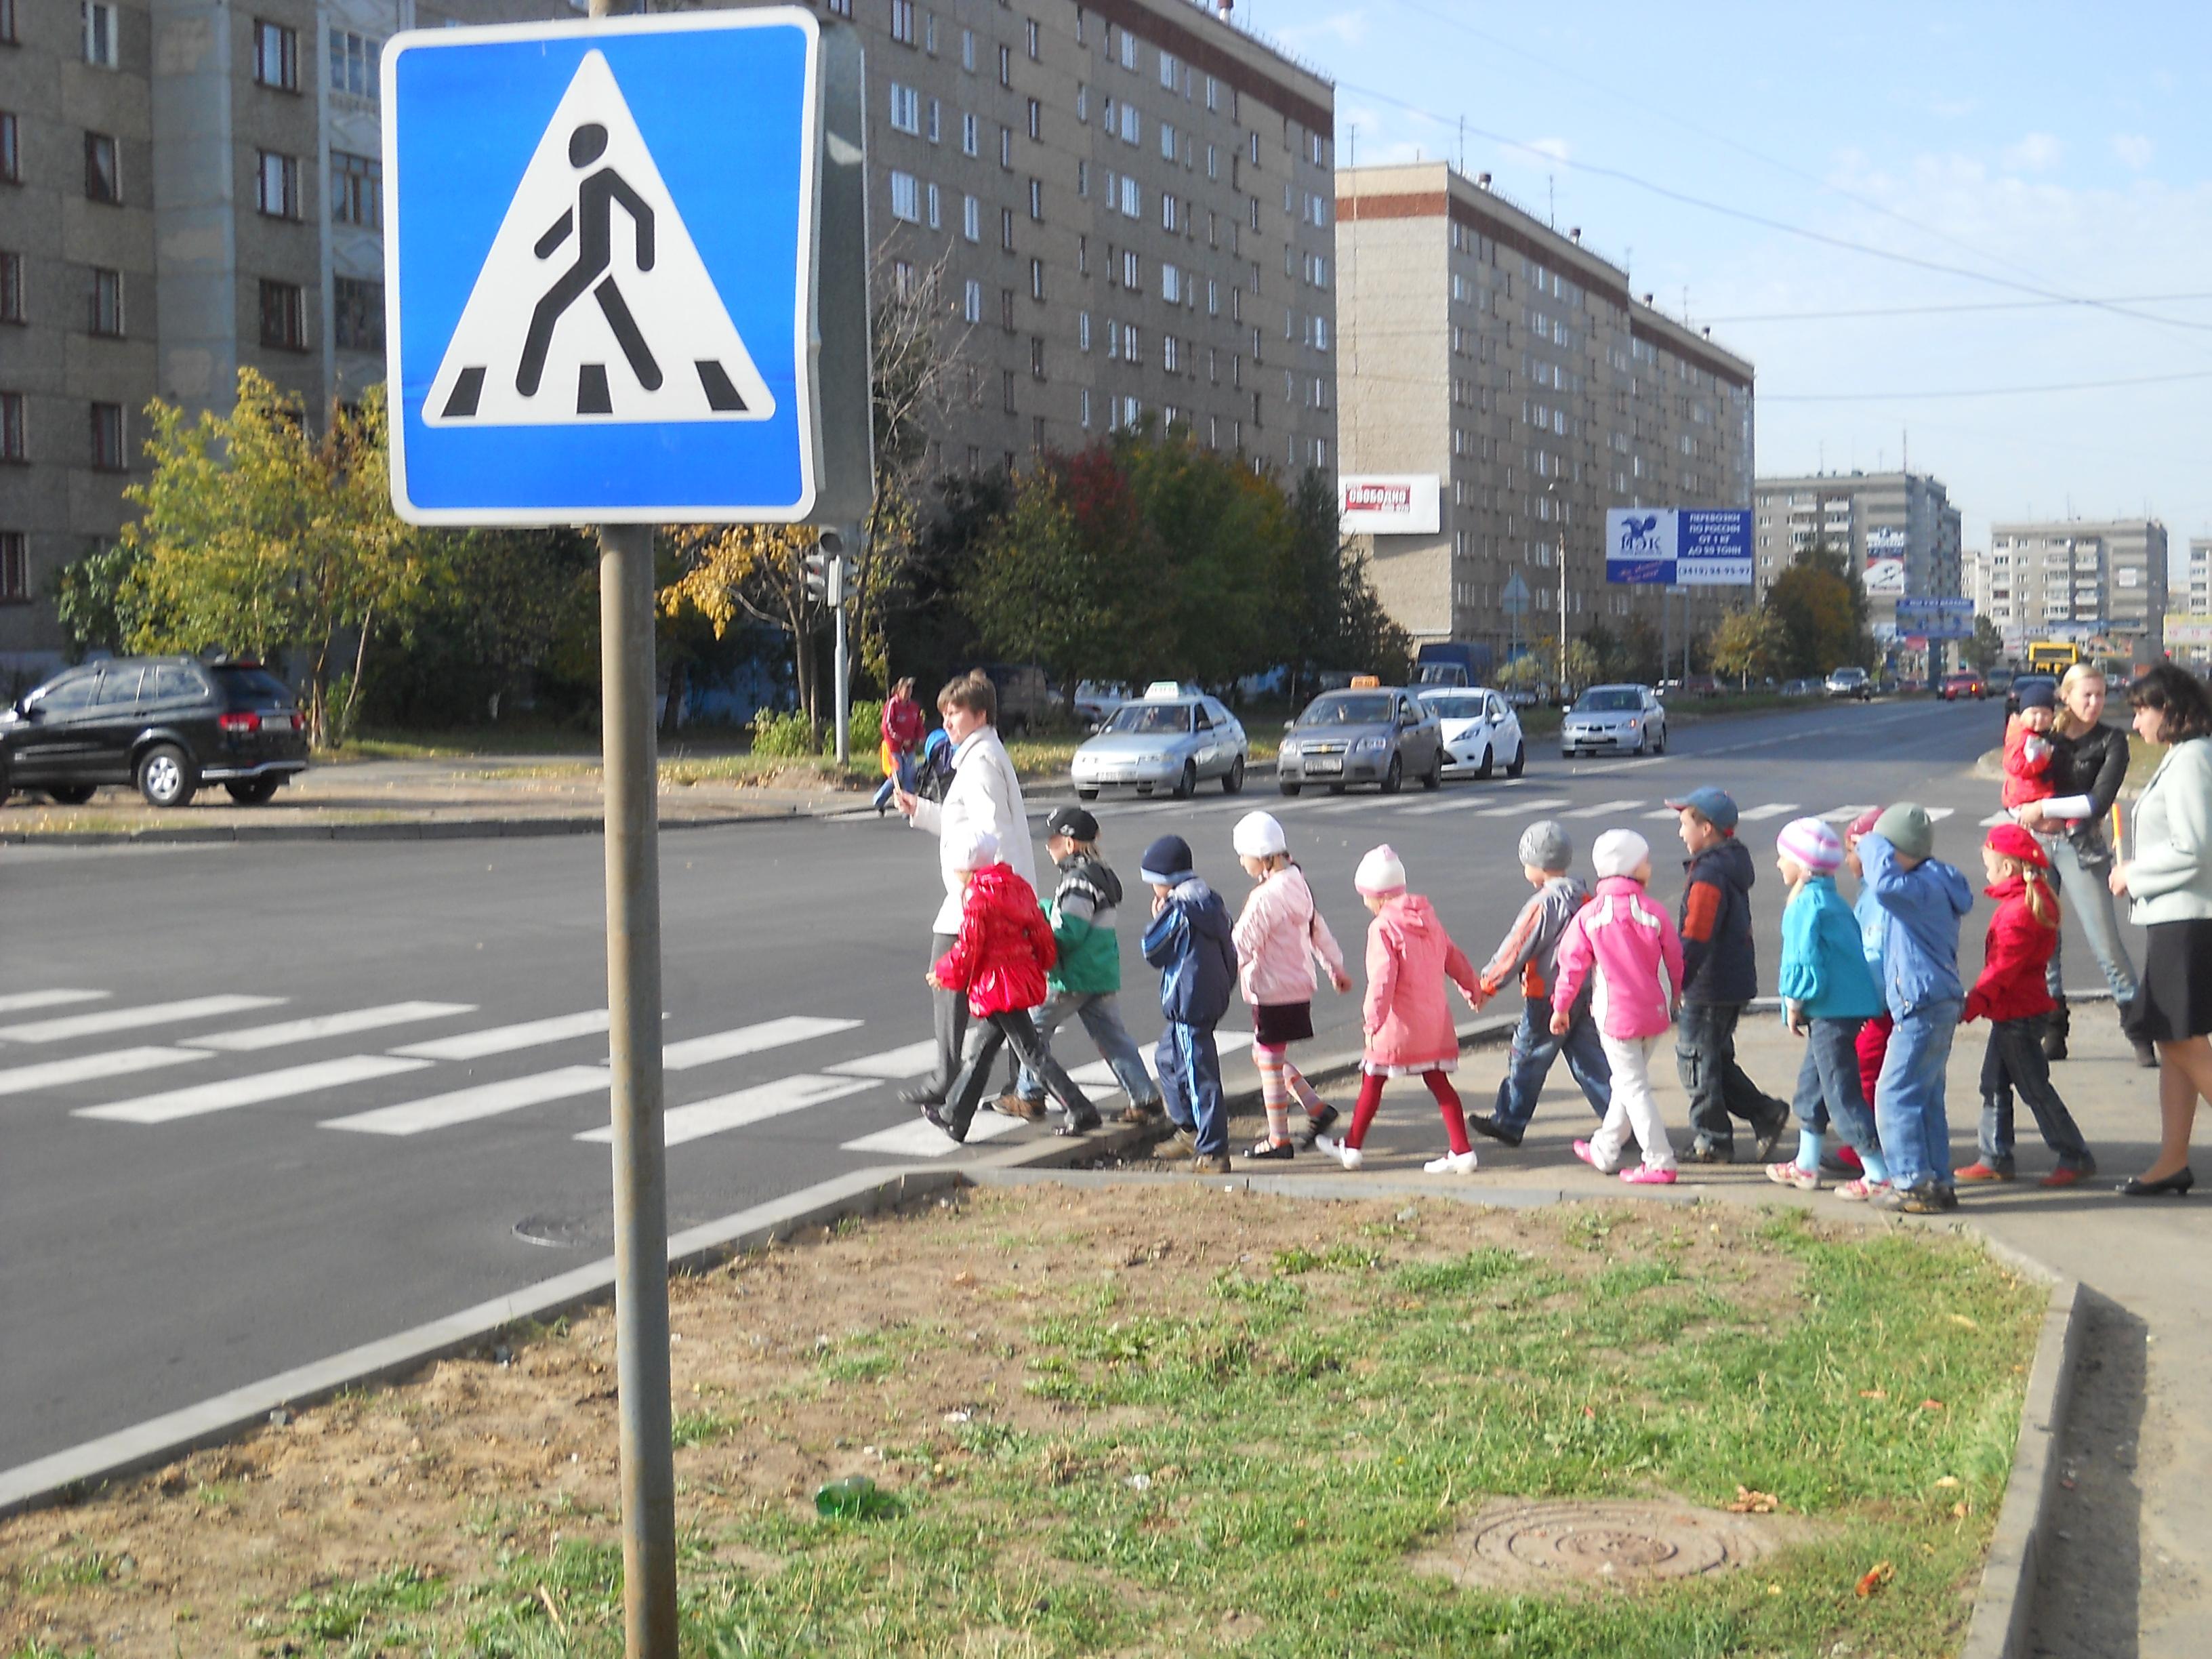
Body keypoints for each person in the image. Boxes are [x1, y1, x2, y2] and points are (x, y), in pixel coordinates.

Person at [895, 672, 1034, 1109]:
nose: (948, 722)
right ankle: (1024, 1086)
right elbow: (970, 825)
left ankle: (948, 1073)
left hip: (979, 893)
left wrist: (979, 890)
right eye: (946, 714)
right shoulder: (982, 755)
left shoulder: (979, 763)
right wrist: (923, 811)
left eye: (955, 713)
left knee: (949, 971)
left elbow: (992, 833)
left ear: (981, 715)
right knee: (1006, 992)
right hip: (990, 891)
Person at [920, 828, 1100, 1143]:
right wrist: (1043, 962)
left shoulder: (978, 897)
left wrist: (944, 972)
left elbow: (969, 947)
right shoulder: (1016, 886)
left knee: (1032, 1054)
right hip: (1017, 979)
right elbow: (1041, 930)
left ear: (967, 868)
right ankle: (955, 1116)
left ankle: (1080, 1108)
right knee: (982, 1050)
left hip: (997, 984)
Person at [2018, 663, 2154, 1067]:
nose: (2095, 703)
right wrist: (2023, 811)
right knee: (2044, 942)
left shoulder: (2113, 741)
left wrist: (2042, 807)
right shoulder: (2047, 735)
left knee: (2105, 943)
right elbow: (2018, 781)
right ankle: (2053, 1030)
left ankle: (2139, 1031)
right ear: (2066, 696)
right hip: (2037, 845)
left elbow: (2097, 801)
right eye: (2086, 695)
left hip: (2082, 847)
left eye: (2100, 695)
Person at [2108, 664, 2212, 1197]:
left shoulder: (2192, 760)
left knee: (2184, 1039)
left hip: (2186, 916)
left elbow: (2195, 848)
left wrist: (2132, 873)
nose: (2136, 722)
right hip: (2173, 915)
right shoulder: (2182, 757)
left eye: (2141, 710)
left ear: (2169, 710)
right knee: (2175, 1036)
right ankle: (2173, 1159)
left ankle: (2173, 1158)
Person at [1317, 845, 1483, 1174]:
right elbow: (1454, 957)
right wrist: (1472, 989)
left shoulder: (1382, 928)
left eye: (1365, 895)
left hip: (1396, 1026)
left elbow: (1382, 981)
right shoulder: (1428, 919)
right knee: (1440, 1083)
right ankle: (1462, 1150)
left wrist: (1372, 1022)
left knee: (1372, 1081)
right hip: (1433, 1023)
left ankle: (1351, 1147)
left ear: (1376, 896)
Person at [1955, 825, 2098, 1187]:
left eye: (1989, 863)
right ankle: (1995, 1156)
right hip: (2017, 1012)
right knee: (1994, 1083)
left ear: (2008, 869)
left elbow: (2002, 970)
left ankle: (2073, 1154)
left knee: (2033, 1087)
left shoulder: (2017, 913)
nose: (1986, 870)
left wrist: (1970, 1005)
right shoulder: (2026, 904)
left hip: (2017, 1015)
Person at [1006, 805, 1166, 1125]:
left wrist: (1038, 935)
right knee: (1113, 1039)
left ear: (1069, 843)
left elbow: (1070, 933)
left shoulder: (1077, 881)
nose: (1047, 846)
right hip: (1100, 971)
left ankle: (1029, 1094)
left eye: (1051, 840)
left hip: (1073, 976)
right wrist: (1048, 908)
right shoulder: (1099, 874)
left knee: (1033, 1031)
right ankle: (1145, 1098)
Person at [1857, 803, 1975, 1214]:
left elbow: (1884, 885)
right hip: (1936, 999)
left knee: (1894, 1094)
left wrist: (1872, 843)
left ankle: (1911, 1181)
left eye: (1886, 850)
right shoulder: (1934, 882)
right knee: (1925, 1097)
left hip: (1922, 1002)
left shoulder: (1916, 888)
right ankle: (1937, 1180)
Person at [1466, 821, 1612, 1148]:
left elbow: (1517, 947)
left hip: (1546, 996)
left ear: (1537, 865)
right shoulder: (1584, 895)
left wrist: (1487, 985)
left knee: (1528, 1058)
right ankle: (1622, 1119)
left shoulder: (1544, 904)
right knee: (1592, 1062)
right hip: (1581, 992)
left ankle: (1510, 1121)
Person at [1551, 829, 1684, 1185]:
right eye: (1645, 861)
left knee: (1632, 1086)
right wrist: (1675, 997)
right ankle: (1606, 1149)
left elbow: (1571, 967)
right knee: (1628, 1082)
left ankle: (1660, 1160)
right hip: (1654, 1014)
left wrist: (1561, 1008)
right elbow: (1675, 960)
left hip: (1615, 1018)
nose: (1650, 867)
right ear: (1629, 869)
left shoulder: (1590, 916)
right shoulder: (1653, 913)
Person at [1666, 787, 1791, 1164]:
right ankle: (1765, 1113)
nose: (1680, 833)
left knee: (1694, 1061)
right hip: (1730, 980)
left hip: (1710, 984)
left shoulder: (1708, 873)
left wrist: (1676, 981)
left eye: (1685, 824)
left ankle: (1713, 1139)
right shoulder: (1729, 863)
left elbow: (1696, 935)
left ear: (1707, 829)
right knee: (1714, 1061)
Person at [1767, 817, 1890, 1197]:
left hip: (1829, 1011)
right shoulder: (1833, 900)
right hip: (1846, 1008)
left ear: (1803, 865)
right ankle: (1806, 1163)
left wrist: (1793, 1003)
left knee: (1840, 1092)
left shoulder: (1805, 906)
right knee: (1813, 1088)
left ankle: (1877, 1172)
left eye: (1783, 857)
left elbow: (1802, 961)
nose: (1778, 864)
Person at [1228, 810, 1351, 1160]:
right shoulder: (1298, 883)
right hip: (1296, 985)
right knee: (1266, 1055)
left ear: (1264, 855)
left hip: (1272, 989)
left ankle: (1279, 1139)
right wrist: (1335, 968)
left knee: (1268, 1060)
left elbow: (1242, 944)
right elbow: (1318, 930)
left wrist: (1218, 978)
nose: (1242, 862)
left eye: (1244, 856)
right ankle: (1316, 1108)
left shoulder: (1265, 898)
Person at [1139, 834, 1240, 1176]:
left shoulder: (1179, 910)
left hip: (1189, 1000)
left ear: (1165, 881)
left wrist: (1157, 916)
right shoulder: (1210, 900)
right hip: (1209, 995)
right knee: (1167, 1058)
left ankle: (1212, 1149)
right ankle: (1189, 1129)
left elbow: (1153, 951)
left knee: (1200, 1076)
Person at [1845, 807, 1891, 1165]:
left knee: (1866, 1071)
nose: (1847, 859)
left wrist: (1865, 1002)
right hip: (1878, 1003)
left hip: (1883, 1006)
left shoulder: (1881, 897)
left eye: (1852, 851)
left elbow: (1877, 952)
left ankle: (1864, 1146)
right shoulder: (1871, 891)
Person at [2002, 682, 2061, 813]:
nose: (2039, 718)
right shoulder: (2019, 737)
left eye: (2045, 714)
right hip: (2025, 797)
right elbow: (2016, 766)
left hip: (2038, 793)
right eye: (2034, 713)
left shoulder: (2044, 735)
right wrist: (2042, 761)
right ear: (2022, 715)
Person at [873, 676, 927, 815]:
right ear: (899, 689)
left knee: (910, 775)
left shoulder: (914, 708)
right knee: (897, 775)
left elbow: (918, 725)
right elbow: (886, 726)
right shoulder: (893, 705)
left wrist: (920, 737)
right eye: (907, 688)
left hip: (909, 747)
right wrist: (900, 739)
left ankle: (908, 809)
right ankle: (879, 800)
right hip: (893, 747)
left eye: (911, 689)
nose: (909, 692)